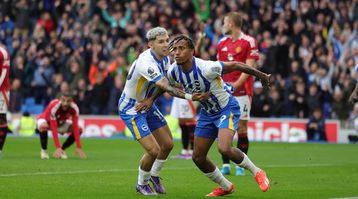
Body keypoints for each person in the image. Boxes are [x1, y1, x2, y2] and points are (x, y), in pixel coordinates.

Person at [162, 34, 270, 196]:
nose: (177, 53)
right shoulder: (173, 71)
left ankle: (257, 172)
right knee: (198, 157)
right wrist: (149, 100)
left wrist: (261, 75)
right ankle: (226, 186)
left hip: (227, 108)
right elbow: (163, 86)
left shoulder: (207, 67)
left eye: (182, 49)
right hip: (207, 113)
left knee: (224, 148)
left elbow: (235, 64)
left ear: (192, 51)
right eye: (175, 49)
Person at [118, 27, 209, 196]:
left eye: (167, 40)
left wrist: (151, 100)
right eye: (161, 42)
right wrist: (191, 96)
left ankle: (154, 176)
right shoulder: (146, 63)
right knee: (152, 150)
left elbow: (166, 82)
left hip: (146, 103)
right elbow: (167, 86)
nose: (166, 44)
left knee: (167, 144)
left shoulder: (166, 59)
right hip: (132, 107)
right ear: (150, 45)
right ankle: (141, 184)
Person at [217, 12, 259, 176]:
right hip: (223, 92)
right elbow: (218, 67)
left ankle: (241, 165)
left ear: (232, 24)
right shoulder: (221, 43)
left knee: (242, 127)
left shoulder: (249, 41)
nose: (223, 25)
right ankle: (226, 164)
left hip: (241, 92)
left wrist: (235, 85)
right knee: (223, 126)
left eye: (225, 22)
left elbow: (249, 67)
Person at [36, 92, 86, 160]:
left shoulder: (74, 108)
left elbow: (75, 127)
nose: (65, 103)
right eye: (63, 100)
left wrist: (78, 146)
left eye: (68, 101)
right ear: (60, 99)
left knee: (79, 129)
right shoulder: (54, 106)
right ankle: (44, 151)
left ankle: (62, 150)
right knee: (43, 127)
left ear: (71, 101)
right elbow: (54, 128)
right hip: (46, 121)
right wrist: (57, 146)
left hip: (60, 122)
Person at [0, 44, 11, 159]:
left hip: (1, 92)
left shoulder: (3, 53)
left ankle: (0, 150)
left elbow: (4, 74)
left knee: (1, 118)